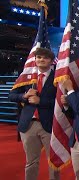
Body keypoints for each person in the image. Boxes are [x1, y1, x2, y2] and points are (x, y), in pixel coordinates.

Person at [9, 48, 60, 180]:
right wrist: (24, 96)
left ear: (51, 61)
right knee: (31, 161)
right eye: (38, 57)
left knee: (54, 162)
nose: (41, 60)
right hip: (28, 125)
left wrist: (40, 101)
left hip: (49, 125)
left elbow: (61, 102)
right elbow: (12, 95)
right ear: (35, 59)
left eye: (45, 58)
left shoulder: (58, 77)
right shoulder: (26, 76)